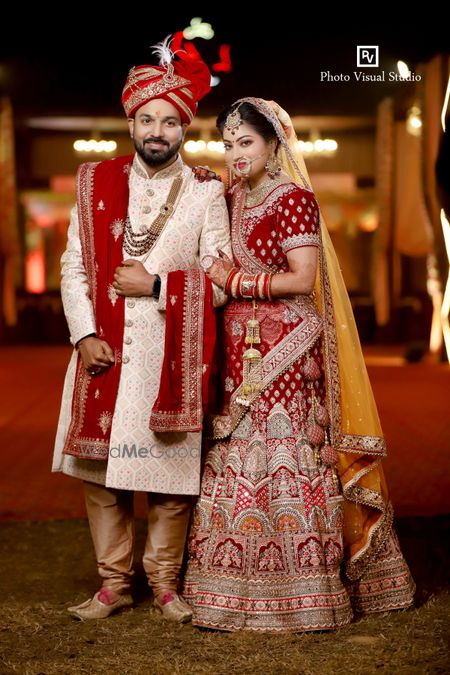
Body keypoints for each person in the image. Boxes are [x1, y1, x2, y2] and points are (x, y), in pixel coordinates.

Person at [183, 98, 416, 632]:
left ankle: (304, 589)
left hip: (286, 345)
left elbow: (301, 277)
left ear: (273, 145)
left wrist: (237, 281)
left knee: (285, 450)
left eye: (246, 143)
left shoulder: (293, 198)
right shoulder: (229, 197)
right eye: (228, 144)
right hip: (237, 345)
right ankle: (226, 585)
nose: (236, 154)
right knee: (236, 449)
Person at [52, 38, 232, 622]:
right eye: (147, 119)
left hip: (168, 357)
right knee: (102, 478)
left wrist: (156, 286)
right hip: (103, 351)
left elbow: (220, 279)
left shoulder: (206, 191)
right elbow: (74, 267)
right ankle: (113, 585)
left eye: (169, 121)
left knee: (169, 480)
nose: (157, 131)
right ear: (131, 122)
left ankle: (165, 584)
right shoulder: (94, 182)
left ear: (184, 128)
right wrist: (84, 336)